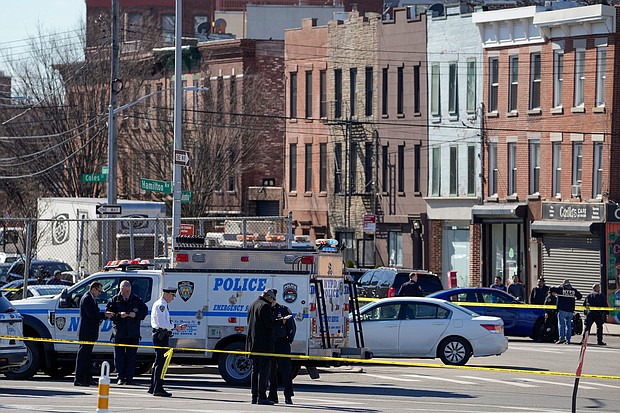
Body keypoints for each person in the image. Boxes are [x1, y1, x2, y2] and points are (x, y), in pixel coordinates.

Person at [106, 280, 148, 385]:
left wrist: (136, 315)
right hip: (119, 333)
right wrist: (119, 315)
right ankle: (120, 376)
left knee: (131, 357)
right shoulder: (115, 300)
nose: (126, 293)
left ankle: (129, 378)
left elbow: (144, 311)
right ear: (120, 290)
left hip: (133, 333)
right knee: (119, 357)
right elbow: (109, 314)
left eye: (128, 291)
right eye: (124, 291)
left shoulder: (137, 299)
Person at [148, 286, 187, 397]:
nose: (173, 298)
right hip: (161, 336)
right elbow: (163, 324)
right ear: (167, 294)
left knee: (159, 361)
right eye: (173, 296)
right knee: (161, 362)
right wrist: (176, 327)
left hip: (161, 335)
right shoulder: (161, 305)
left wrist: (174, 327)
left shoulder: (162, 304)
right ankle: (158, 388)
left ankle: (153, 386)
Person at [74, 281, 112, 386]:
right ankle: (79, 378)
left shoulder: (91, 298)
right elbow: (91, 314)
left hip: (90, 331)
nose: (99, 293)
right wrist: (104, 315)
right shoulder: (86, 298)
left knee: (87, 356)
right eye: (99, 291)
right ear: (94, 289)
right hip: (86, 331)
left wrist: (103, 315)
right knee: (83, 356)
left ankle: (87, 378)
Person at [247, 288, 278, 405]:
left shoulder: (252, 305)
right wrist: (280, 321)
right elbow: (269, 324)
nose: (273, 301)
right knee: (264, 371)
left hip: (253, 343)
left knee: (255, 371)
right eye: (273, 299)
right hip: (264, 344)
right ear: (269, 297)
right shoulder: (265, 306)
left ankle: (254, 396)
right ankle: (262, 396)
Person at [267, 292, 296, 405]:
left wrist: (289, 339)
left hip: (282, 343)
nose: (272, 301)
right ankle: (272, 396)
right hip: (270, 344)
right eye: (270, 299)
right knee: (271, 372)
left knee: (286, 372)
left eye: (273, 299)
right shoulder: (266, 310)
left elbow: (291, 326)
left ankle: (288, 396)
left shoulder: (284, 310)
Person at [552, 279, 582, 345]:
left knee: (561, 325)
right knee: (568, 325)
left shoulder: (561, 289)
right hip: (570, 311)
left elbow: (551, 289)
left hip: (562, 310)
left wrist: (560, 286)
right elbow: (580, 296)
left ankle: (562, 338)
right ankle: (568, 339)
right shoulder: (573, 290)